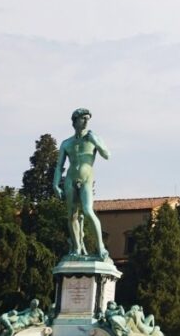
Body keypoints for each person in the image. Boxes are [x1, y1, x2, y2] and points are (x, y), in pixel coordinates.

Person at [52, 108, 110, 259]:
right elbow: (59, 166)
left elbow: (107, 155)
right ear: (75, 121)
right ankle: (77, 248)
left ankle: (101, 247)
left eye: (87, 119)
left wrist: (96, 142)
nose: (86, 121)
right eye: (83, 118)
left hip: (86, 179)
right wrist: (55, 184)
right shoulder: (66, 143)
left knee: (87, 210)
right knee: (72, 216)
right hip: (70, 179)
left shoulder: (93, 138)